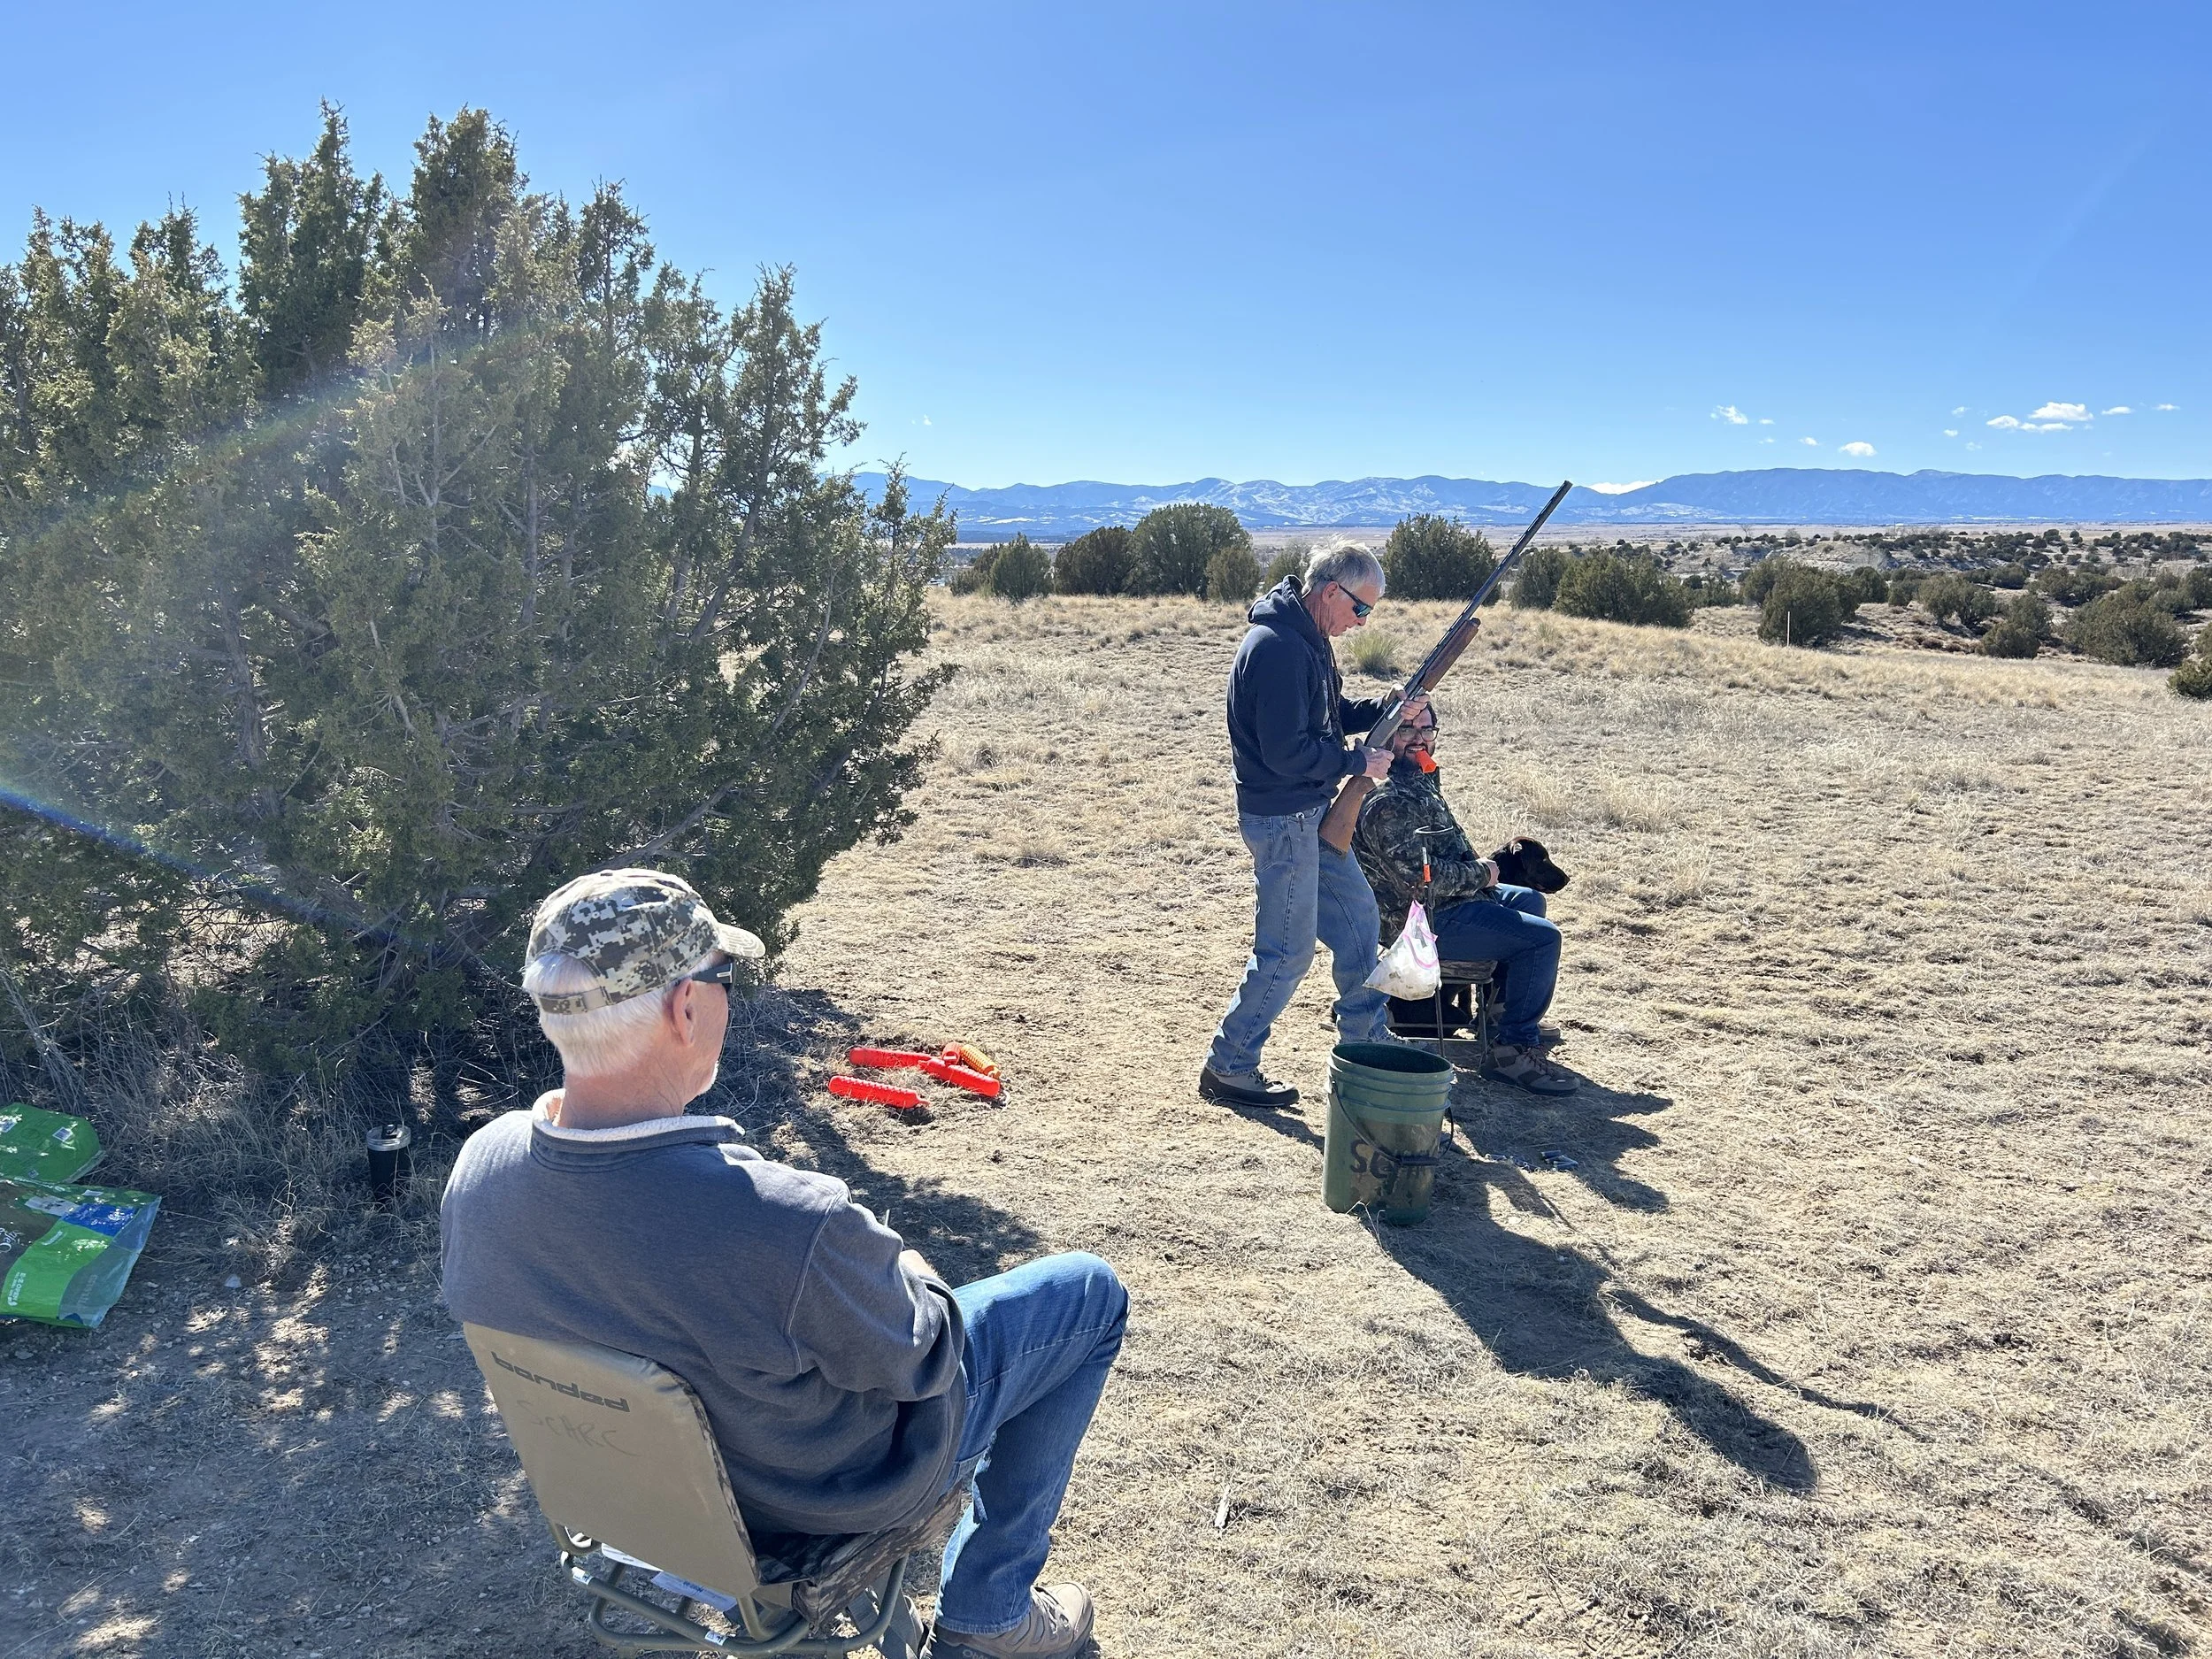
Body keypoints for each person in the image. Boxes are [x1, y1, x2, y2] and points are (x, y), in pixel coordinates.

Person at [442, 868, 1126, 1659]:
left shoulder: (480, 1172)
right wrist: (887, 1254)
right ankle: (991, 1615)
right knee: (1088, 1292)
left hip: (648, 1508)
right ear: (684, 1005)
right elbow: (931, 1351)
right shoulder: (781, 1221)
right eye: (723, 976)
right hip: (822, 1497)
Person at [1200, 544, 1427, 1110]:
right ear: (1330, 591)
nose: (1362, 622)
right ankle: (1229, 1066)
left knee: (1358, 922)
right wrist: (1357, 763)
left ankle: (1364, 1036)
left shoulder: (1306, 637)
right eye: (1360, 609)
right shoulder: (1278, 649)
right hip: (1285, 821)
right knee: (1286, 952)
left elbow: (1328, 715)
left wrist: (1387, 708)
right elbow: (1286, 752)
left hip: (1311, 818)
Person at [1350, 708, 1578, 1095]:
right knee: (1543, 939)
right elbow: (1419, 883)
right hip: (1424, 921)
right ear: (1386, 736)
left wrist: (1482, 879)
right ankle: (1511, 1051)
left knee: (1528, 901)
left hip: (1452, 903)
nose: (1419, 739)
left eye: (1427, 729)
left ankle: (1501, 1017)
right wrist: (1483, 874)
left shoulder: (1417, 782)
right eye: (1406, 729)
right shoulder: (1388, 800)